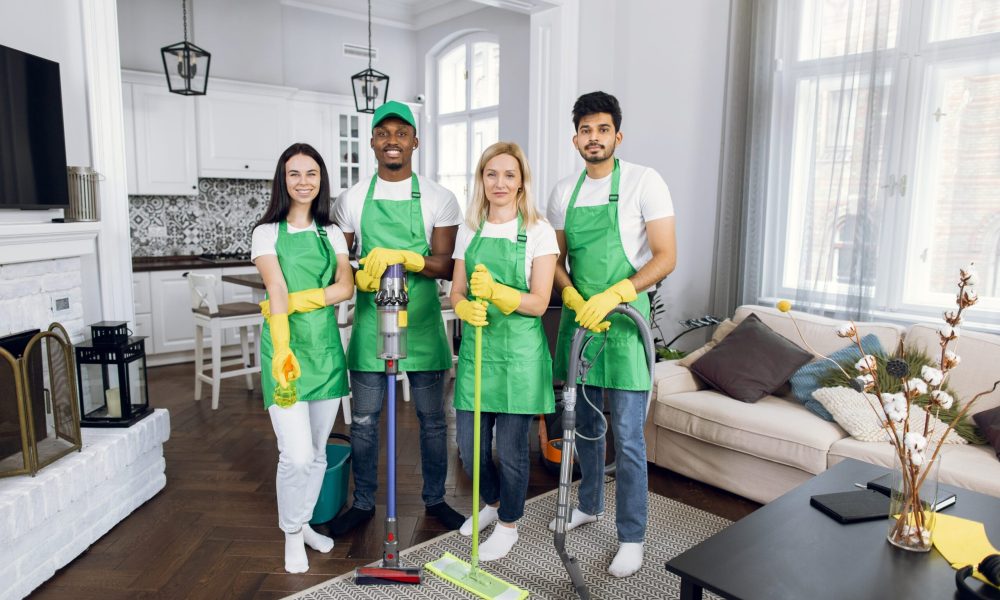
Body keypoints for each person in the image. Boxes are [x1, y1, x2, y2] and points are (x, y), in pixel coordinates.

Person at [546, 91, 677, 578]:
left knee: (626, 435)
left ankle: (632, 535)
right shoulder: (565, 191)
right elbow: (555, 263)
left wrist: (618, 291)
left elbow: (665, 255)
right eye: (585, 130)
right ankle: (589, 504)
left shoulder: (645, 181)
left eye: (602, 129)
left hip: (624, 323)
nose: (593, 138)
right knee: (583, 426)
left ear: (617, 135)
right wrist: (575, 298)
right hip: (581, 320)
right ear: (575, 137)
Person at [330, 100, 466, 534]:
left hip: (423, 321)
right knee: (366, 420)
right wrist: (360, 273)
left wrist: (410, 259)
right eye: (384, 133)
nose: (393, 141)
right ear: (372, 141)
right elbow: (339, 263)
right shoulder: (350, 199)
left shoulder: (439, 197)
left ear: (415, 142)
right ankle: (364, 502)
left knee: (432, 420)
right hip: (372, 321)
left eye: (401, 133)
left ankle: (435, 499)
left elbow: (447, 264)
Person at [449, 142, 558, 561]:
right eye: (491, 174)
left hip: (519, 358)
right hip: (478, 354)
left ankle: (510, 523)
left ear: (521, 182)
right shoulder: (469, 229)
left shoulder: (538, 231)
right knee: (470, 447)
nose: (500, 182)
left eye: (509, 175)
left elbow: (538, 300)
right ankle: (491, 505)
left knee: (512, 451)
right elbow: (456, 289)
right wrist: (463, 306)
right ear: (481, 180)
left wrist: (495, 292)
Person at [251, 143, 355, 574]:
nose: (303, 181)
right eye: (294, 173)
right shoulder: (266, 232)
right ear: (283, 179)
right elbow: (275, 289)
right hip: (286, 348)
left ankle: (305, 522)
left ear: (321, 179)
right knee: (294, 455)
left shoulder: (330, 233)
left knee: (316, 454)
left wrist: (306, 297)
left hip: (327, 350)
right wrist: (282, 347)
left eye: (311, 173)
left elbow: (345, 287)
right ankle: (292, 534)